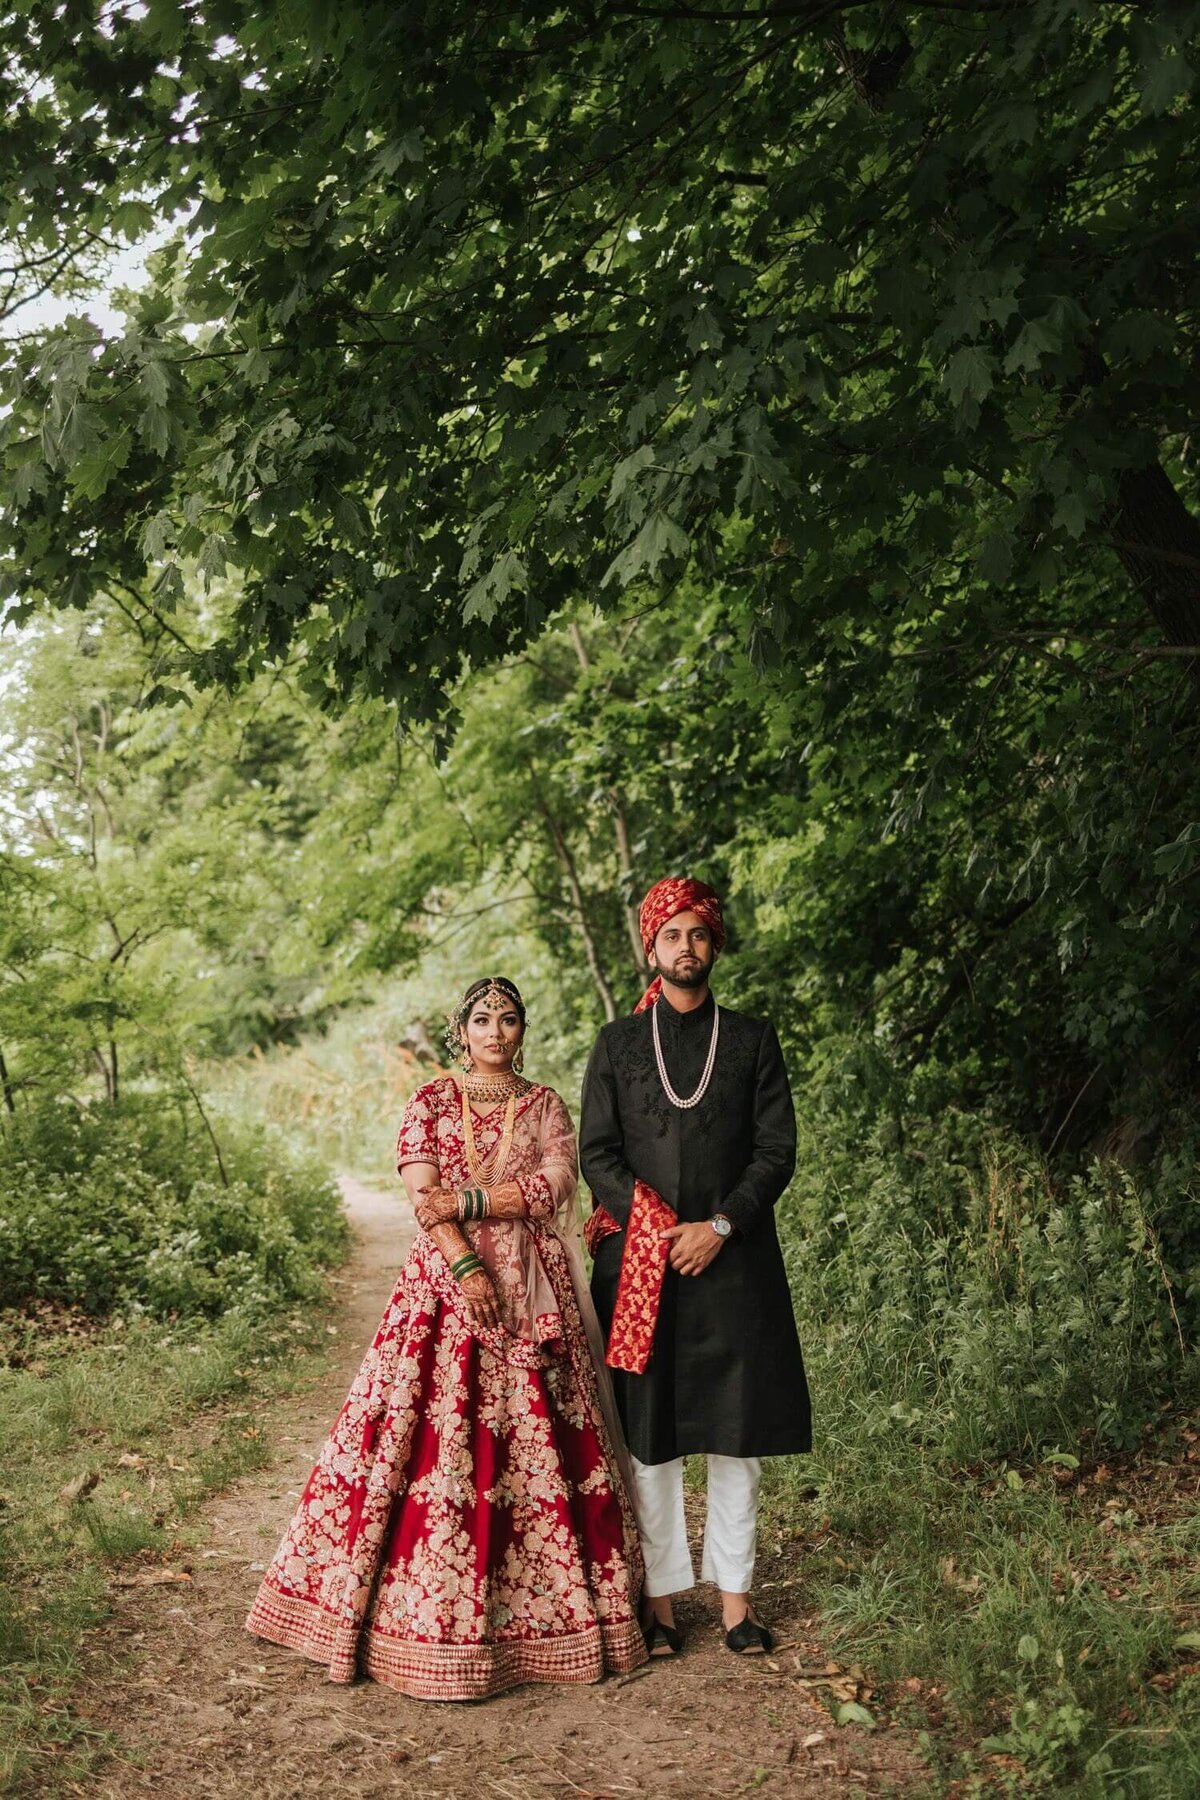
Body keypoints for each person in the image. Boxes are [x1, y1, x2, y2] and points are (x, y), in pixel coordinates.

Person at [247, 976, 646, 1700]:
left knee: (545, 1444)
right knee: (427, 1438)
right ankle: (412, 1625)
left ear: (523, 1029)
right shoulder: (430, 1101)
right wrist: (467, 1266)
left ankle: (553, 1621)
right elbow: (418, 1196)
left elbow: (556, 1183)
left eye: (510, 1018)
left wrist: (467, 1200)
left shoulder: (545, 1102)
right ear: (460, 1030)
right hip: (443, 1284)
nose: (496, 1031)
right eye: (483, 1019)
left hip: (535, 1288)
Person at [581, 879, 811, 1658]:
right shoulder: (615, 1044)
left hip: (733, 1259)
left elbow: (777, 1150)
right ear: (652, 947)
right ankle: (663, 1606)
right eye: (671, 934)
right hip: (640, 1267)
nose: (686, 946)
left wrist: (717, 1225)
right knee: (652, 1435)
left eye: (699, 934)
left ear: (715, 946)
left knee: (734, 1433)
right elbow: (597, 1155)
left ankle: (739, 1602)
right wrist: (654, 1227)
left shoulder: (751, 1040)